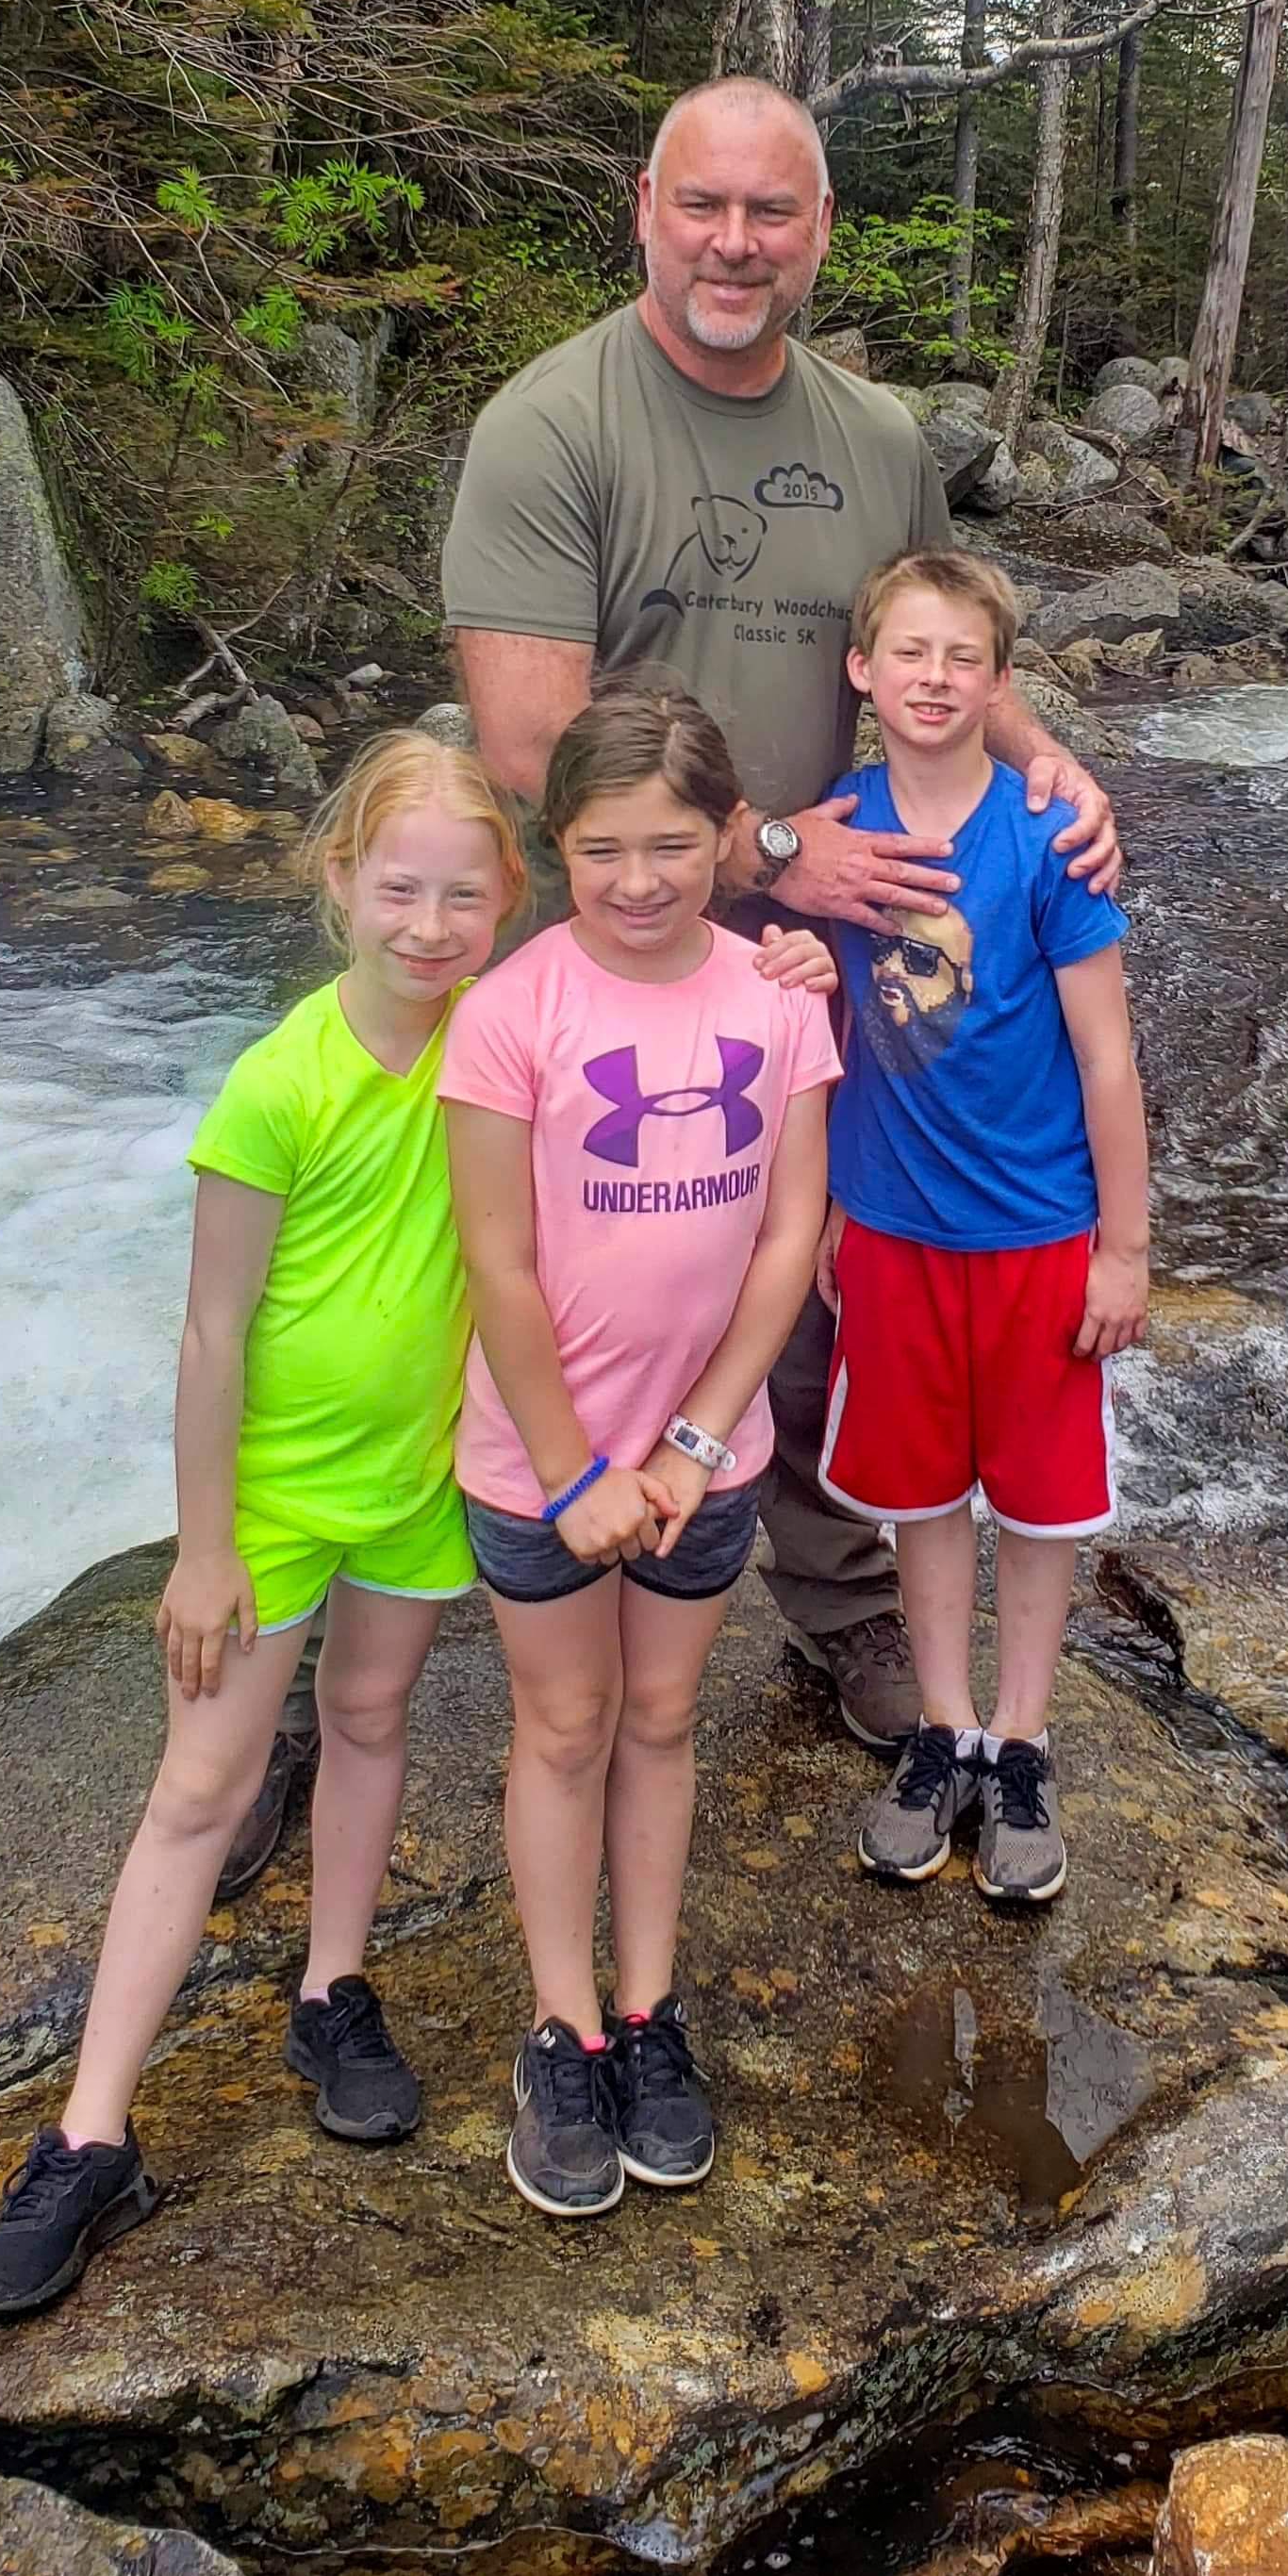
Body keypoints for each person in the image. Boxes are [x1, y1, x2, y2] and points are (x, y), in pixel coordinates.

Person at [437, 71, 1123, 1756]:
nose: (733, 244)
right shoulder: (551, 423)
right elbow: (529, 739)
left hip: (834, 946)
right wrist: (765, 851)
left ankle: (837, 1595)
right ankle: (446, 1570)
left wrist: (1053, 768)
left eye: (770, 212)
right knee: (549, 1247)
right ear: (644, 212)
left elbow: (947, 647)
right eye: (703, 205)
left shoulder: (876, 437)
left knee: (823, 1266)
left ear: (818, 231)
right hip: (623, 921)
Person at [0, 733, 526, 2322]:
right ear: (339, 881)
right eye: (398, 889)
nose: (428, 924)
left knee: (371, 1717)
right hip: (272, 1494)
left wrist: (776, 958)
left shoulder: (500, 1038)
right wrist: (202, 1548)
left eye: (462, 896)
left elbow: (650, 985)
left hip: (416, 1477)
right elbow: (211, 1332)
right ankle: (91, 2133)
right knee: (202, 1788)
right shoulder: (280, 1080)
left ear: (506, 902)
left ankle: (333, 1988)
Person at [440, 682, 837, 2219]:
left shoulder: (779, 998)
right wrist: (574, 1471)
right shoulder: (511, 1012)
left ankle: (650, 2009)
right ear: (556, 846)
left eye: (673, 845)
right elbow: (498, 1263)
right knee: (565, 1724)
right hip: (540, 1461)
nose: (640, 880)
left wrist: (692, 1439)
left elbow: (790, 1234)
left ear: (729, 837)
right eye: (603, 849)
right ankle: (563, 2028)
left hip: (703, 1457)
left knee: (661, 1717)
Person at [816, 552, 1150, 1907]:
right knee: (921, 1496)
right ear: (863, 670)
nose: (935, 678)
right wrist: (829, 1208)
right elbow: (800, 1008)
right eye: (910, 652)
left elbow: (1109, 1057)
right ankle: (944, 1731)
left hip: (1038, 1232)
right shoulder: (836, 832)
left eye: (964, 658)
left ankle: (1022, 1741)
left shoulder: (1047, 836)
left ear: (1001, 683)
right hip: (892, 1229)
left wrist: (1123, 1248)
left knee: (1040, 1501)